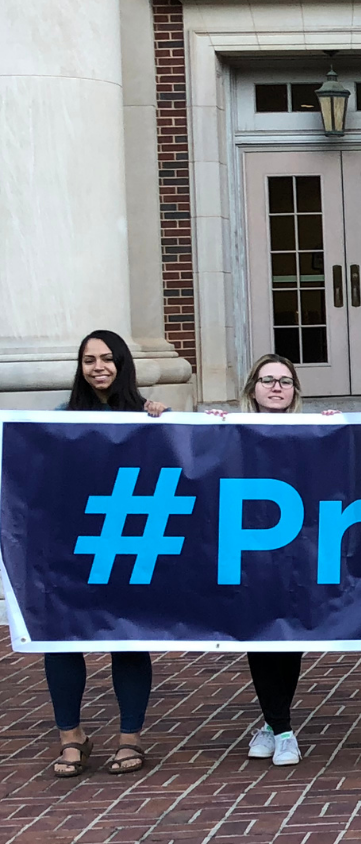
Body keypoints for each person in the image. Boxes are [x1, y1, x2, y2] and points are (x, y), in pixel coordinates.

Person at [46, 330, 167, 777]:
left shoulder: (149, 414)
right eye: (88, 360)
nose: (98, 367)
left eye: (107, 358)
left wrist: (162, 420)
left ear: (122, 362)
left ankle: (130, 737)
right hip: (74, 548)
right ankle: (71, 738)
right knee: (59, 639)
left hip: (130, 544)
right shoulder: (60, 418)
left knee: (126, 638)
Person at [207, 354, 338, 767]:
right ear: (252, 389)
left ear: (296, 390)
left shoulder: (312, 429)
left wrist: (342, 428)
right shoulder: (231, 431)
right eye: (267, 380)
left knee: (290, 638)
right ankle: (282, 730)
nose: (277, 387)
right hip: (248, 554)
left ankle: (271, 723)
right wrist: (205, 428)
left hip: (297, 553)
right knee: (261, 637)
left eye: (285, 381)